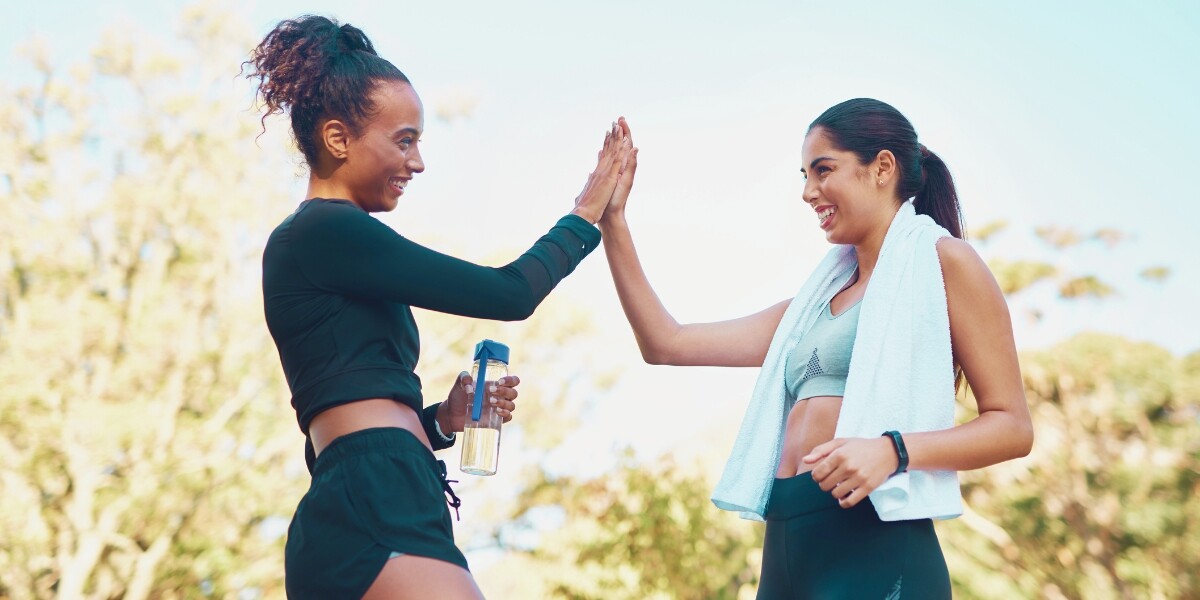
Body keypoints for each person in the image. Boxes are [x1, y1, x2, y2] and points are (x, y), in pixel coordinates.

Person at [245, 15, 631, 599]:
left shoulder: (326, 243)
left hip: (380, 487)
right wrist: (585, 215)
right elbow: (509, 294)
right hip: (375, 494)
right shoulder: (325, 230)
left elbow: (340, 416)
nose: (418, 162)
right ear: (338, 139)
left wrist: (442, 421)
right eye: (404, 140)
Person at [600, 102, 1033, 598]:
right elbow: (665, 343)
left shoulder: (944, 262)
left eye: (823, 170)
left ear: (883, 168)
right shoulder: (812, 305)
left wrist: (893, 450)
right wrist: (614, 222)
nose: (808, 192)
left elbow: (1012, 427)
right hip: (787, 538)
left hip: (876, 543)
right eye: (805, 175)